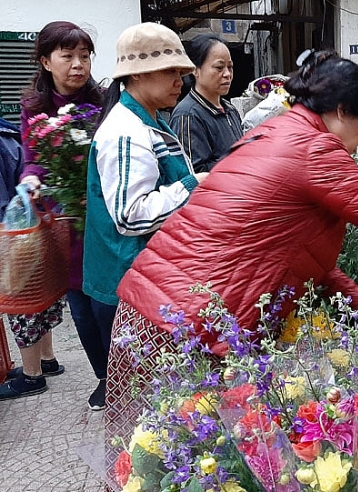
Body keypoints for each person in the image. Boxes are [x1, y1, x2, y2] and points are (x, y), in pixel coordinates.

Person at [104, 50, 358, 457]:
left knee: (163, 460)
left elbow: (284, 249)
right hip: (183, 328)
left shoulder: (274, 134)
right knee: (168, 463)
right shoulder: (312, 150)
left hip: (157, 316)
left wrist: (354, 296)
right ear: (344, 111)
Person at [82, 21, 208, 409]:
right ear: (136, 73)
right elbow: (131, 216)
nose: (180, 81)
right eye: (170, 71)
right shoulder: (125, 131)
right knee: (145, 406)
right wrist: (192, 185)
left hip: (146, 279)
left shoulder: (149, 120)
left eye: (182, 72)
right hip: (128, 284)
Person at [0, 21, 105, 407]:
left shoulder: (104, 102)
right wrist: (29, 182)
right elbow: (32, 161)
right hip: (64, 224)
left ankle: (118, 374)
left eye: (84, 56)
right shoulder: (35, 109)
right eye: (68, 56)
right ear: (46, 61)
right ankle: (103, 376)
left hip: (101, 218)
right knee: (78, 304)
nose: (78, 64)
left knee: (104, 303)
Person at [170, 34, 243, 173]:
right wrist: (239, 160)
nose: (227, 74)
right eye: (219, 68)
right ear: (195, 70)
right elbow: (194, 173)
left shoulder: (230, 110)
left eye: (230, 67)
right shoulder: (188, 115)